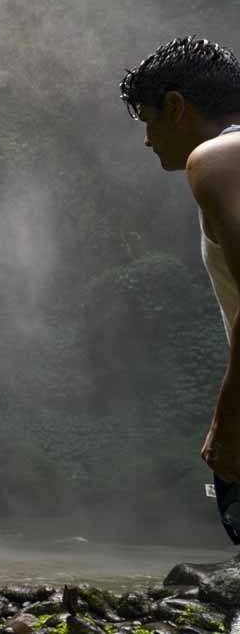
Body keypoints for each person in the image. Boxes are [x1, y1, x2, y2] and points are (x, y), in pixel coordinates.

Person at [121, 37, 240, 541]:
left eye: (148, 120)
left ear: (176, 106)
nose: (149, 140)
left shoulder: (218, 158)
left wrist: (229, 424)